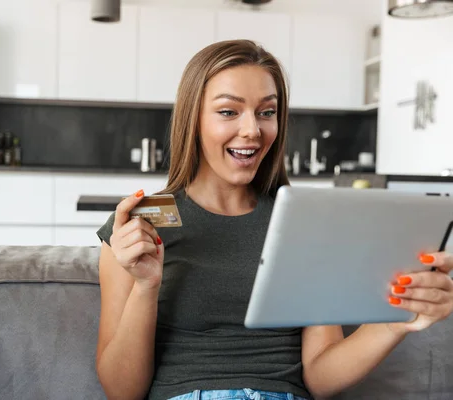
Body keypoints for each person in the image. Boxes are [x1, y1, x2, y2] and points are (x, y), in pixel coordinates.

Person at [94, 40, 453, 400]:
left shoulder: (306, 226)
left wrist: (395, 322)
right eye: (229, 112)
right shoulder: (136, 230)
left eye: (266, 112)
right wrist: (145, 287)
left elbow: (321, 375)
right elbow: (122, 391)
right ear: (194, 119)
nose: (252, 130)